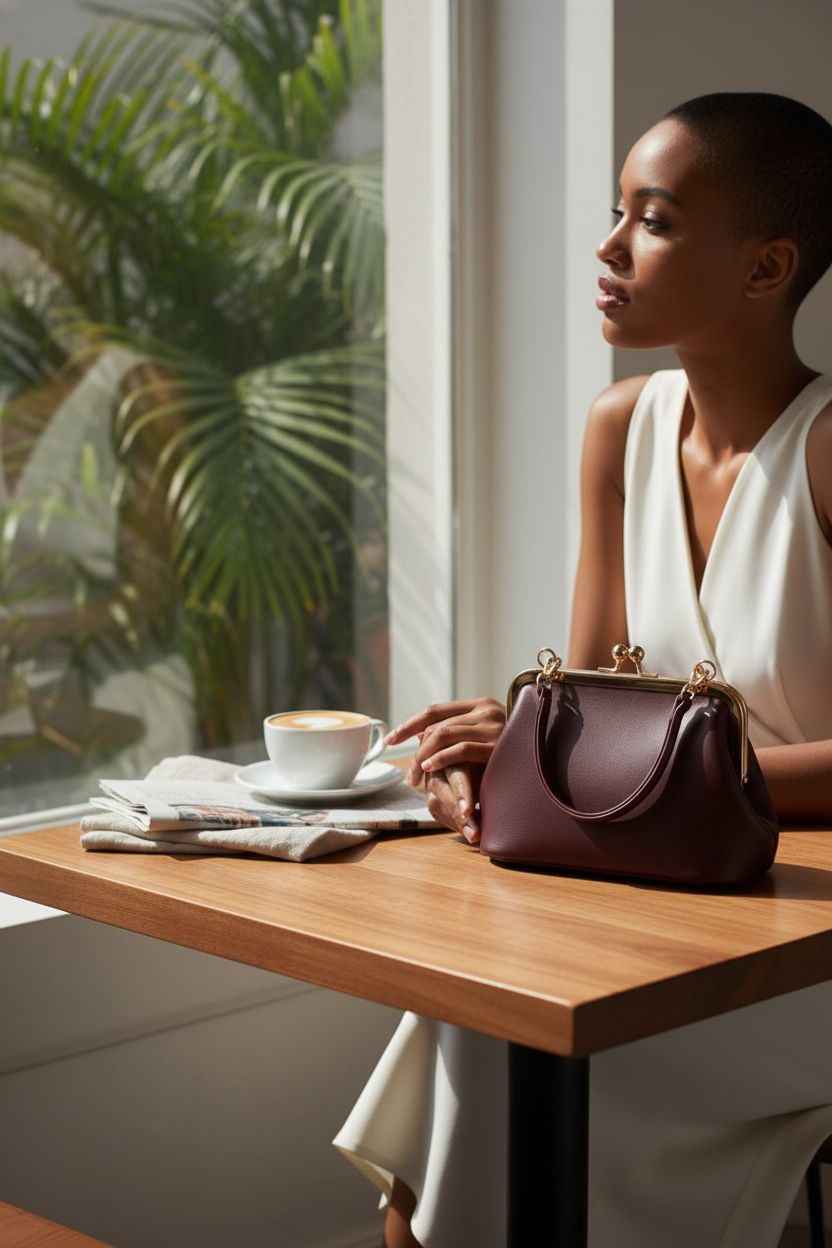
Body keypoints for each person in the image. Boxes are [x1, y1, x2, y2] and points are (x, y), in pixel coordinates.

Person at [334, 92, 832, 1247]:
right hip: (658, 906)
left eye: (651, 221)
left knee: (513, 1053)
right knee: (477, 1015)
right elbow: (604, 702)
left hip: (800, 945)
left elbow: (663, 753)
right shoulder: (620, 426)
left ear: (765, 268)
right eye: (616, 211)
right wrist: (511, 753)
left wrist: (693, 784)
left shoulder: (824, 453)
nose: (607, 248)